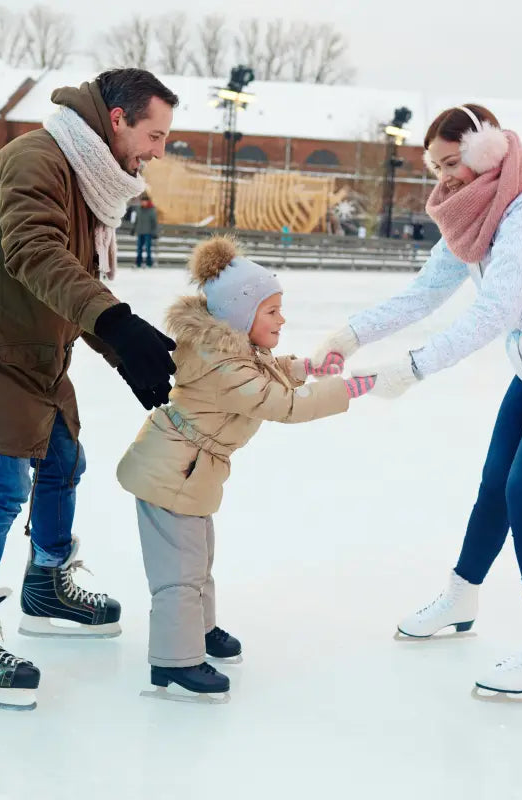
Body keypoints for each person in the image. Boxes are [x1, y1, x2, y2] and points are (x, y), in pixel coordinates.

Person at [311, 104, 522, 696]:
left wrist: (412, 368)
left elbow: (495, 311)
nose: (445, 179)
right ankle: (461, 598)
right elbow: (425, 292)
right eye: (436, 167)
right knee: (495, 485)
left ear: (488, 153)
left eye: (454, 163)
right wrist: (349, 337)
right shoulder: (472, 214)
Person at [0, 69, 180, 710]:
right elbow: (33, 252)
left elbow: (68, 282)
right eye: (156, 134)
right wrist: (117, 320)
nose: (159, 150)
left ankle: (47, 583)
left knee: (65, 460)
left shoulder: (88, 176)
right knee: (0, 489)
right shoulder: (37, 159)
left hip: (33, 354)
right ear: (117, 120)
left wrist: (122, 351)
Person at [116, 236, 375, 696]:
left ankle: (200, 629)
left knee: (199, 559)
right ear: (240, 315)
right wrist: (345, 390)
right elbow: (281, 404)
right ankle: (175, 661)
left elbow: (267, 371)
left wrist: (310, 367)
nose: (282, 319)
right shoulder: (223, 366)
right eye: (271, 311)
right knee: (180, 569)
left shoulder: (233, 352)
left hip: (186, 474)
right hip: (171, 473)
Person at [133, 193, 159, 267]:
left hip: (148, 232)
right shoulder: (138, 209)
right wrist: (133, 229)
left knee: (148, 249)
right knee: (139, 249)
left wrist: (155, 233)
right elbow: (136, 220)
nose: (143, 203)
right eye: (142, 201)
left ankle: (149, 263)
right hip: (140, 232)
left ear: (147, 202)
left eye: (144, 201)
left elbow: (154, 222)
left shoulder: (152, 210)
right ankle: (138, 263)